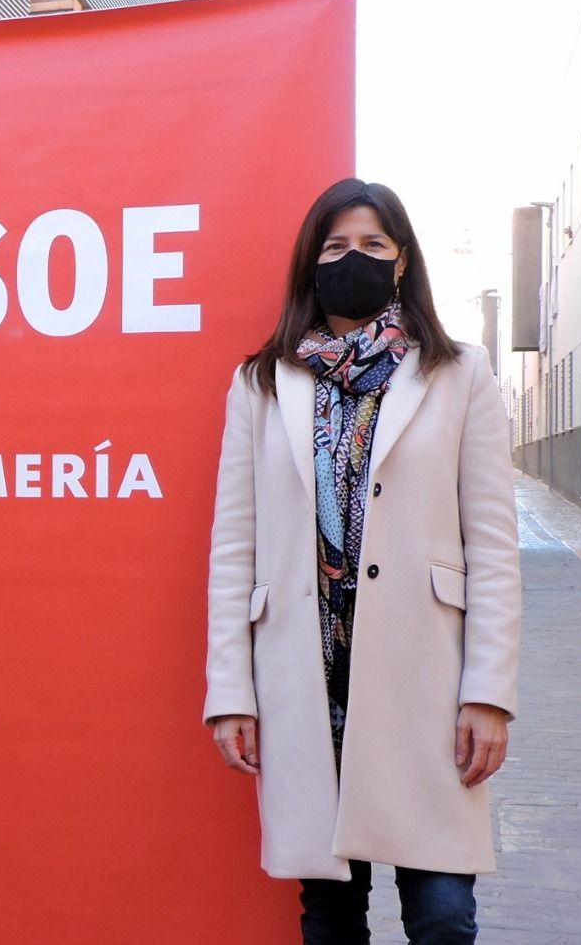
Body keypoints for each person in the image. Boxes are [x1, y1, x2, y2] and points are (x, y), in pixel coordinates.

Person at [204, 178, 520, 944]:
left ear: (403, 262)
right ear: (311, 264)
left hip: (427, 680)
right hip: (308, 682)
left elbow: (494, 547)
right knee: (332, 916)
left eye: (374, 246)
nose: (355, 259)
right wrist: (231, 691)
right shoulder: (261, 384)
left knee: (443, 915)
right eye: (337, 246)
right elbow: (233, 546)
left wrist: (490, 693)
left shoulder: (459, 372)